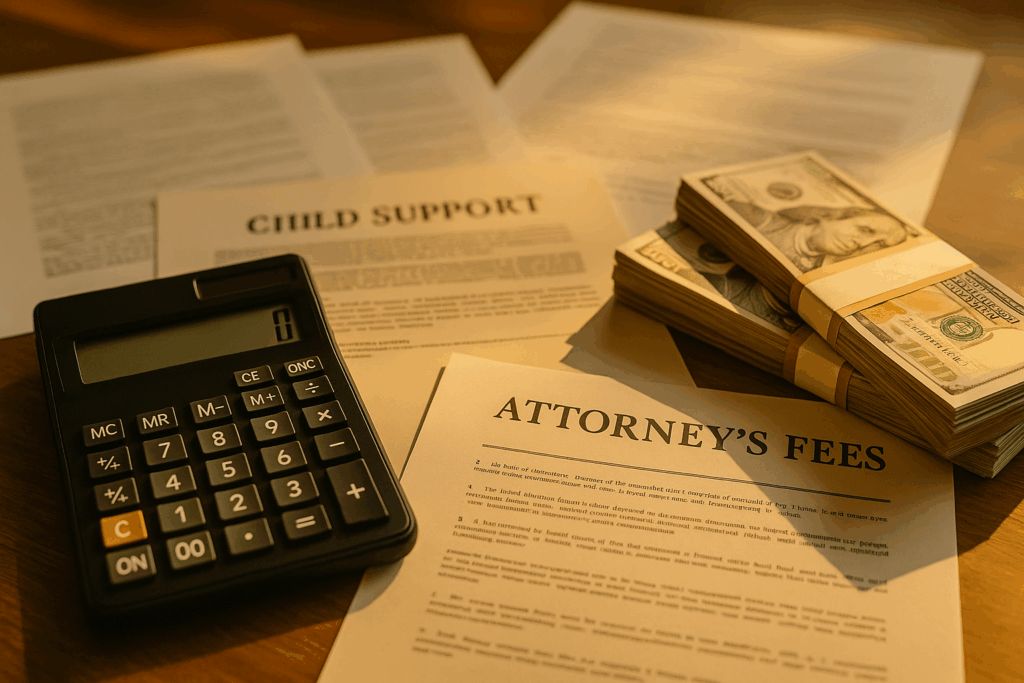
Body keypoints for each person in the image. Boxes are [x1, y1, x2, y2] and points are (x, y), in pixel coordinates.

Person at [727, 200, 910, 273]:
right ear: (829, 217)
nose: (864, 244)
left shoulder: (818, 275)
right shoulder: (758, 219)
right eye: (865, 230)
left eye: (880, 244)